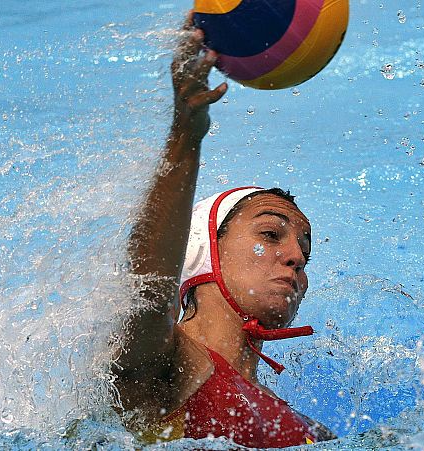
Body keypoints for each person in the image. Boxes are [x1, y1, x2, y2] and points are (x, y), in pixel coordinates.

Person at [112, 13, 336, 447]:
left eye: (304, 252)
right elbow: (146, 286)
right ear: (204, 251)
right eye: (270, 235)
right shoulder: (164, 363)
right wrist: (186, 133)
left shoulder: (313, 431)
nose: (295, 257)